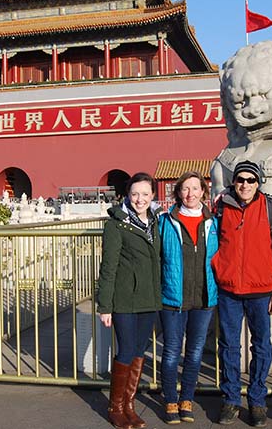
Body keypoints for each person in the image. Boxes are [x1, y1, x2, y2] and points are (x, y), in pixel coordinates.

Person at [211, 160, 272, 427]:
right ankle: (231, 398)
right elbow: (213, 242)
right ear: (234, 181)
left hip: (261, 290)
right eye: (240, 179)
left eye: (251, 180)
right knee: (229, 346)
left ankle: (257, 400)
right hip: (229, 289)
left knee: (261, 346)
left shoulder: (271, 208)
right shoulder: (221, 207)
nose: (245, 185)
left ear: (258, 183)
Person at [97, 172, 162, 429]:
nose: (140, 199)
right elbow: (108, 267)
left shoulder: (156, 222)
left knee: (138, 351)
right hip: (124, 299)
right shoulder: (116, 224)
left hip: (149, 298)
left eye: (145, 194)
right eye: (135, 194)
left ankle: (129, 405)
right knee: (125, 351)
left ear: (153, 196)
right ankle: (115, 407)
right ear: (127, 195)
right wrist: (105, 306)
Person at [157, 171, 219, 424]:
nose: (190, 194)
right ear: (178, 192)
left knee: (194, 353)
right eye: (185, 189)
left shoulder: (213, 223)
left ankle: (187, 399)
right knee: (172, 352)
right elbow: (156, 259)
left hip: (205, 298)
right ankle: (171, 398)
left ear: (204, 192)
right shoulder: (164, 222)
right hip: (172, 297)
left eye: (196, 188)